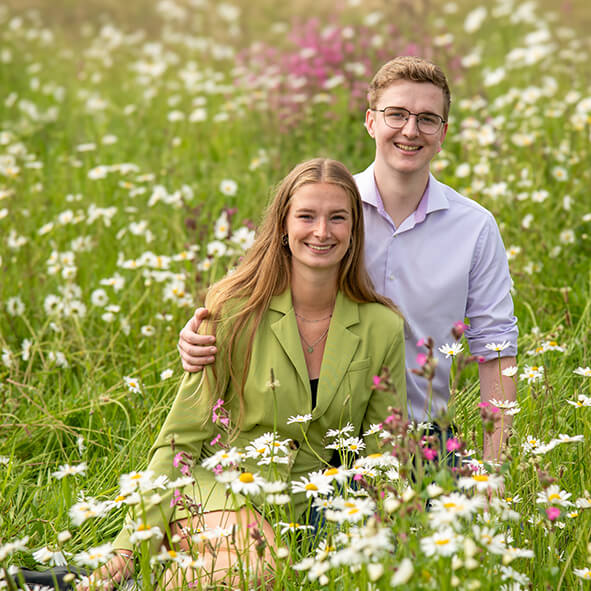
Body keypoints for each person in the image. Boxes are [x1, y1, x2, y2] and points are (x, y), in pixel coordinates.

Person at [177, 56, 518, 461]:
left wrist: (495, 472)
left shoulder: (474, 228)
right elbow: (254, 287)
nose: (410, 130)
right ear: (371, 121)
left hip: (418, 434)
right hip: (314, 432)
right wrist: (201, 333)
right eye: (396, 115)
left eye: (427, 119)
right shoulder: (325, 212)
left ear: (442, 133)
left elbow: (495, 348)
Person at [91, 158, 406, 589]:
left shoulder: (382, 327)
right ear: (282, 226)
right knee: (256, 566)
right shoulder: (233, 311)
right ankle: (133, 572)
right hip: (217, 486)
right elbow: (180, 439)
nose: (322, 231)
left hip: (303, 507)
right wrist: (128, 550)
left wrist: (391, 537)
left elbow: (383, 451)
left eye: (338, 218)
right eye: (306, 216)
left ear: (354, 231)